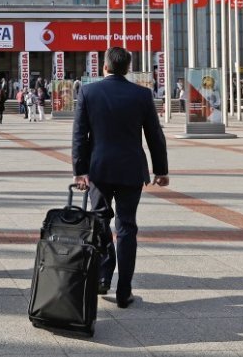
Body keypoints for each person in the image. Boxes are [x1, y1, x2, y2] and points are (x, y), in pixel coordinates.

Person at [72, 46, 169, 309]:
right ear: (128, 68)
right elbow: (154, 136)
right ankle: (124, 291)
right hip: (130, 170)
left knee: (100, 222)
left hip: (99, 170)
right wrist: (161, 170)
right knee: (127, 228)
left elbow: (80, 135)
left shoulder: (89, 92)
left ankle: (104, 276)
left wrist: (79, 171)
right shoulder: (141, 94)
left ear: (104, 67)